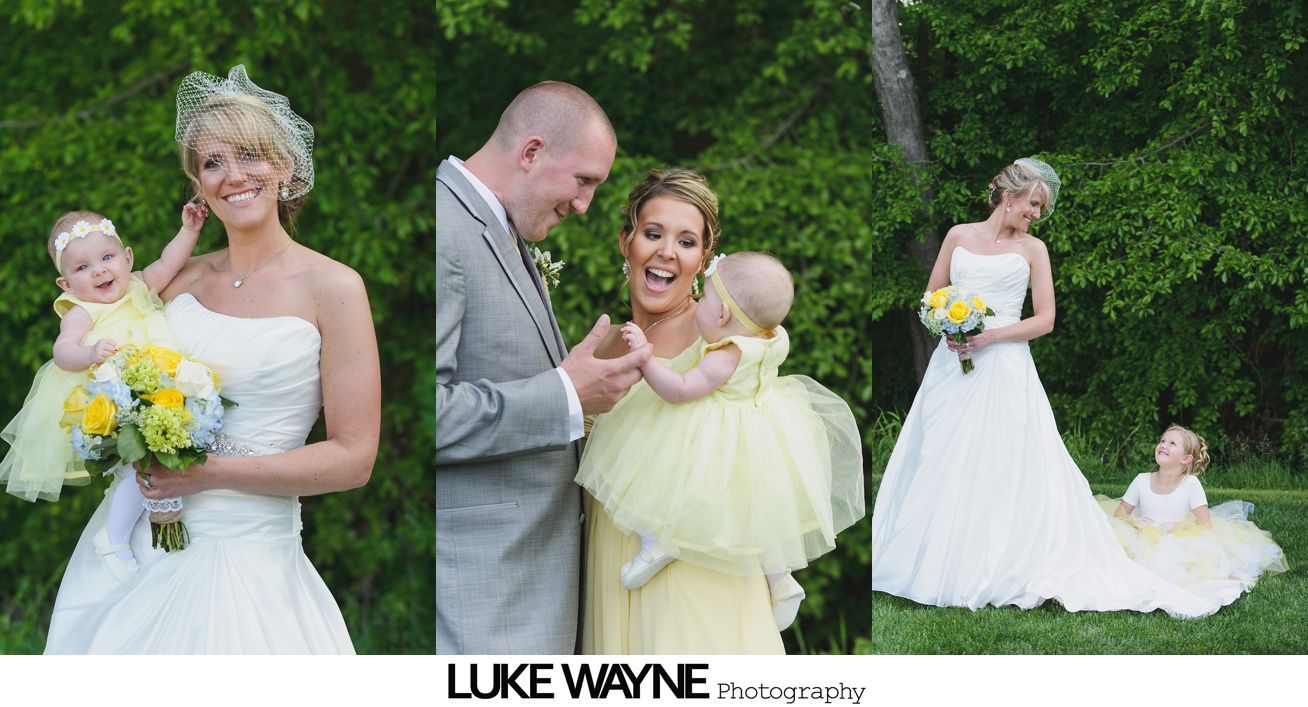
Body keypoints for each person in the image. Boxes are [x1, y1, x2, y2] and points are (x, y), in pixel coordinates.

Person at [44, 65, 380, 653]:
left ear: (283, 165)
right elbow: (101, 352)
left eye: (250, 155)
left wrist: (211, 472)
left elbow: (353, 458)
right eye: (212, 163)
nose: (234, 176)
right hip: (143, 545)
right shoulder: (177, 282)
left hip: (252, 564)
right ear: (197, 185)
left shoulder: (335, 287)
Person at [871, 157, 1221, 619]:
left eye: (1042, 208)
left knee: (1003, 460)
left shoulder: (1033, 250)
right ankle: (936, 558)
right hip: (952, 365)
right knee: (943, 453)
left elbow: (1045, 319)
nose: (1037, 214)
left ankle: (1004, 561)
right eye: (1034, 204)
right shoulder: (958, 235)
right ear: (1009, 194)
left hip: (1005, 364)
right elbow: (931, 295)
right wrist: (948, 324)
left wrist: (990, 334)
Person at [436, 81, 649, 654]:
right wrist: (565, 395)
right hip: (479, 589)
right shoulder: (445, 227)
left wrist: (586, 378)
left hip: (529, 582)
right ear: (531, 152)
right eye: (584, 181)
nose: (584, 205)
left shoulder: (498, 224)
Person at [576, 251, 863, 631]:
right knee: (757, 510)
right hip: (760, 432)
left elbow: (679, 389)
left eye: (706, 298)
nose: (698, 302)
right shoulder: (772, 338)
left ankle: (662, 540)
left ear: (724, 315)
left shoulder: (727, 354)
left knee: (657, 478)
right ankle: (779, 577)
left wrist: (645, 360)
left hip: (716, 435)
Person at [582, 168, 790, 654]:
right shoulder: (604, 346)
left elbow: (755, 454)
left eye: (687, 241)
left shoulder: (719, 343)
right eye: (653, 234)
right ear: (626, 241)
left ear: (703, 260)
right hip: (611, 552)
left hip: (693, 564)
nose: (667, 252)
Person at [1, 206, 205, 583]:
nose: (98, 270)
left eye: (107, 258)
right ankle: (113, 537)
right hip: (114, 396)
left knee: (160, 465)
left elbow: (170, 261)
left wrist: (189, 230)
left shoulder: (141, 284)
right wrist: (89, 355)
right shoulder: (82, 310)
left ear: (127, 258)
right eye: (81, 268)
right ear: (66, 285)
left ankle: (154, 535)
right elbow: (62, 352)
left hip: (155, 392)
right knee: (140, 466)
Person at [1096, 425, 1287, 607]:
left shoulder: (1191, 484)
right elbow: (1118, 516)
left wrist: (1180, 528)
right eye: (1162, 440)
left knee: (1179, 563)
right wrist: (1137, 524)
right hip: (1144, 535)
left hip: (1177, 536)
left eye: (1172, 443)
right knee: (1117, 551)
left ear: (1186, 459)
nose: (1163, 445)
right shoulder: (1141, 480)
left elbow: (1206, 525)